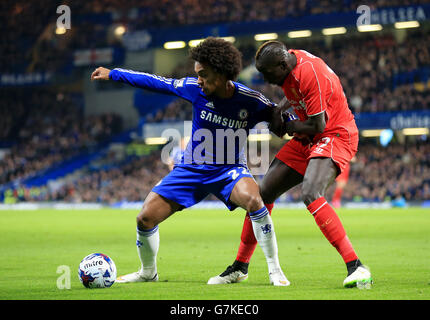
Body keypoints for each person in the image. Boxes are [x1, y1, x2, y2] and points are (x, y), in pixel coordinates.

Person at [90, 37, 292, 286]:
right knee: (145, 218)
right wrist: (114, 74)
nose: (198, 80)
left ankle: (275, 270)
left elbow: (280, 117)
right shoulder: (193, 89)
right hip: (191, 169)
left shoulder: (251, 100)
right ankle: (148, 272)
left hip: (229, 170)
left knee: (254, 200)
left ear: (221, 73)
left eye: (203, 74)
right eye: (197, 74)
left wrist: (290, 123)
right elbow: (155, 82)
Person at [208, 41, 372, 288]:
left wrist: (286, 126)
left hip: (334, 135)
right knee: (261, 195)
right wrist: (278, 110)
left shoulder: (310, 73)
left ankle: (357, 266)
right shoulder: (289, 63)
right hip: (310, 137)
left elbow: (319, 125)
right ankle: (240, 266)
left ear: (283, 64)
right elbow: (296, 95)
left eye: (268, 74)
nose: (265, 79)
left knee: (310, 193)